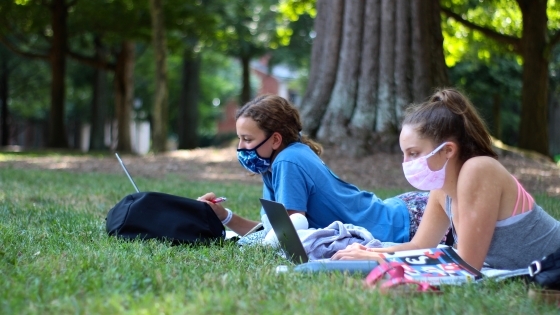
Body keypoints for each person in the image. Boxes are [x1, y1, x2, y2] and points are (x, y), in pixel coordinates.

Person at [332, 88, 560, 270]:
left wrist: (380, 261)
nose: (406, 162)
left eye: (413, 153)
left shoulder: (479, 169)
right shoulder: (441, 188)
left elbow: (468, 265)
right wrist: (370, 252)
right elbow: (419, 245)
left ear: (448, 150)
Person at [198, 94, 437, 245]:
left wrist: (246, 249)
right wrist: (224, 215)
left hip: (409, 224)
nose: (240, 147)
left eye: (247, 139)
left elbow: (290, 231)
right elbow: (275, 232)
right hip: (406, 212)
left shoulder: (287, 162)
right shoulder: (275, 164)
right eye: (239, 139)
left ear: (275, 140)